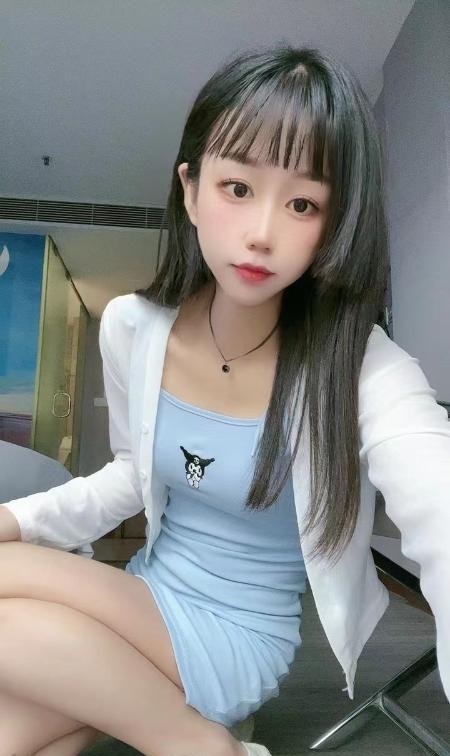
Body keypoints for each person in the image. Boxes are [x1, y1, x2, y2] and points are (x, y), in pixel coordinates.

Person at [1, 43, 449, 756]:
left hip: (238, 636)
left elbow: (440, 509)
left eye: (302, 204)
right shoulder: (132, 328)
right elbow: (128, 477)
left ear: (333, 223)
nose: (262, 233)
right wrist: (14, 520)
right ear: (190, 189)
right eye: (237, 188)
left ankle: (198, 744)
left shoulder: (362, 368)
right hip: (144, 593)